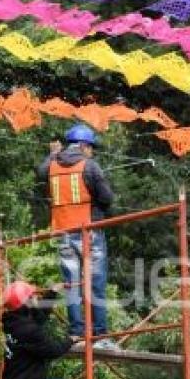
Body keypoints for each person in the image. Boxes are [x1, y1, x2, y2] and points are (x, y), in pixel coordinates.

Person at [37, 123, 117, 349]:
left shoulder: (51, 165)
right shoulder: (90, 166)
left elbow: (40, 171)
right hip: (88, 232)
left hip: (63, 232)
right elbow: (107, 198)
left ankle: (76, 333)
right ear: (83, 146)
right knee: (96, 283)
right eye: (90, 147)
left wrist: (53, 153)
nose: (92, 151)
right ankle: (100, 335)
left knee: (72, 284)